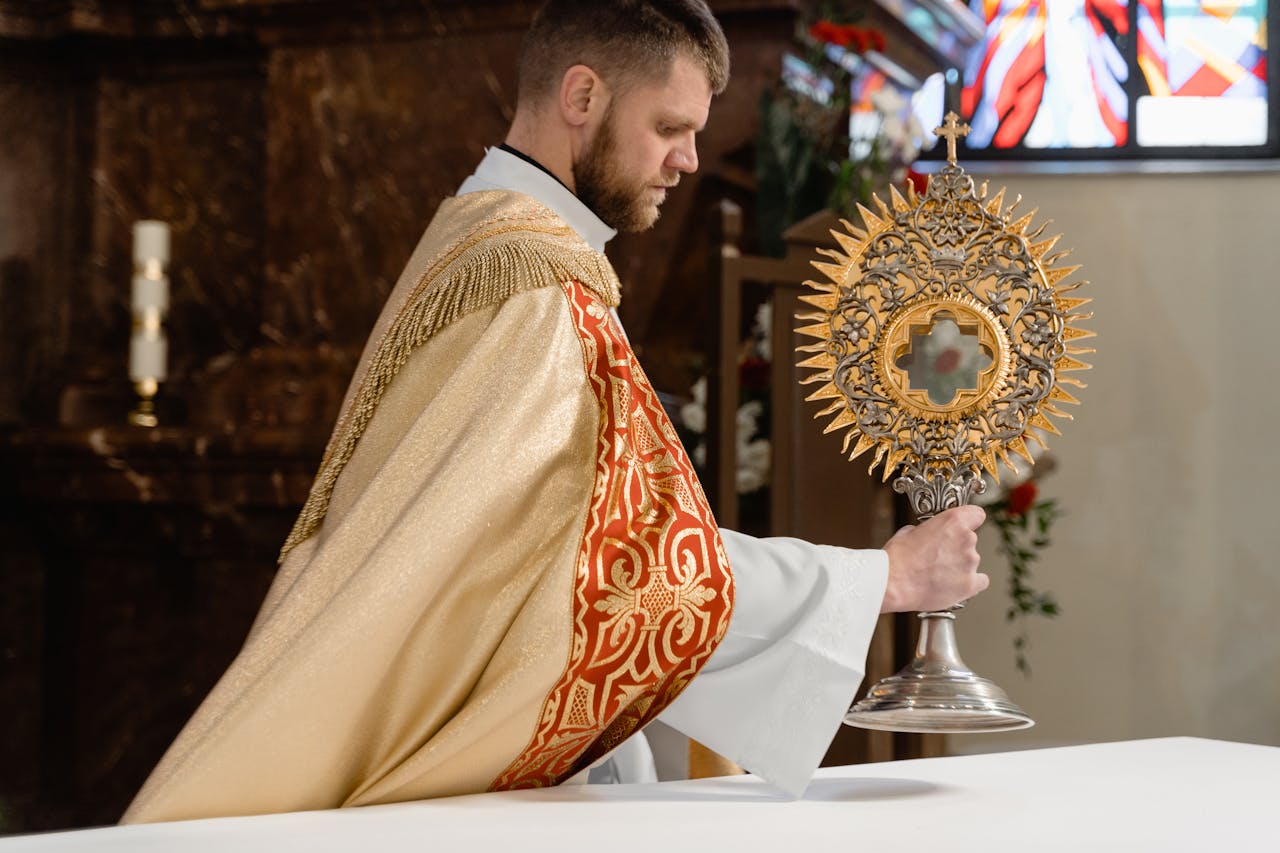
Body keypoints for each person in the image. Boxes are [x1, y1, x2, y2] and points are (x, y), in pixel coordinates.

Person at [121, 0, 987, 824]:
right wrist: (886, 578)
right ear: (583, 96)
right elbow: (623, 573)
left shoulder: (482, 237)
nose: (689, 158)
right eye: (670, 127)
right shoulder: (535, 292)